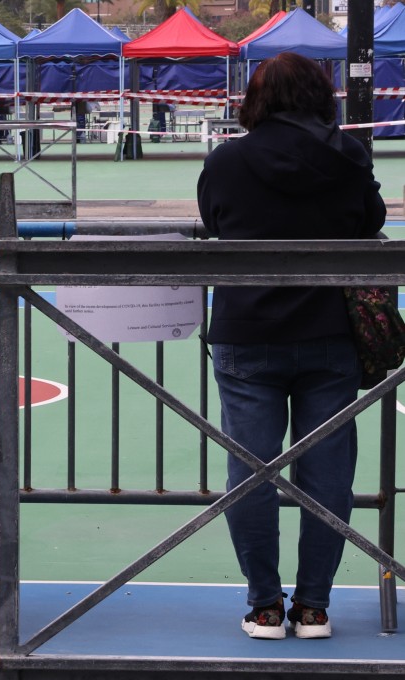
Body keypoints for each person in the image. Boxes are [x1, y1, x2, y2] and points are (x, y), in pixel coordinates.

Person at [197, 52, 386, 640]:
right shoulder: (348, 155)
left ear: (256, 101)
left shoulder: (227, 159)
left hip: (247, 331)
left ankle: (264, 606)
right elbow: (370, 219)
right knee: (327, 473)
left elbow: (215, 221)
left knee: (251, 472)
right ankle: (313, 607)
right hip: (329, 330)